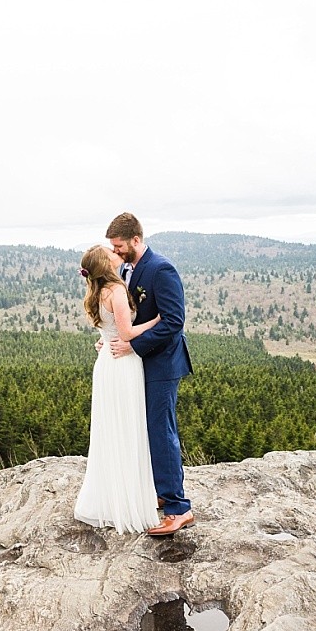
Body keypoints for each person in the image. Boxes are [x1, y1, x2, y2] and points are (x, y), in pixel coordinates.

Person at [104, 212, 194, 536]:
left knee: (161, 431)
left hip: (163, 363)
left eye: (119, 245)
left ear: (136, 240)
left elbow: (173, 321)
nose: (115, 252)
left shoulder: (161, 269)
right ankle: (160, 491)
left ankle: (178, 509)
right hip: (142, 363)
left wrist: (133, 346)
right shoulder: (127, 270)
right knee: (145, 429)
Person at [73, 244, 162, 533]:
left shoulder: (97, 291)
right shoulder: (116, 291)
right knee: (127, 428)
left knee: (110, 430)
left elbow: (109, 331)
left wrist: (105, 339)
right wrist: (157, 320)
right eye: (110, 252)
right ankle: (127, 503)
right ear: (106, 264)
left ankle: (111, 499)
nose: (115, 253)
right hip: (122, 365)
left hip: (106, 364)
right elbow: (126, 333)